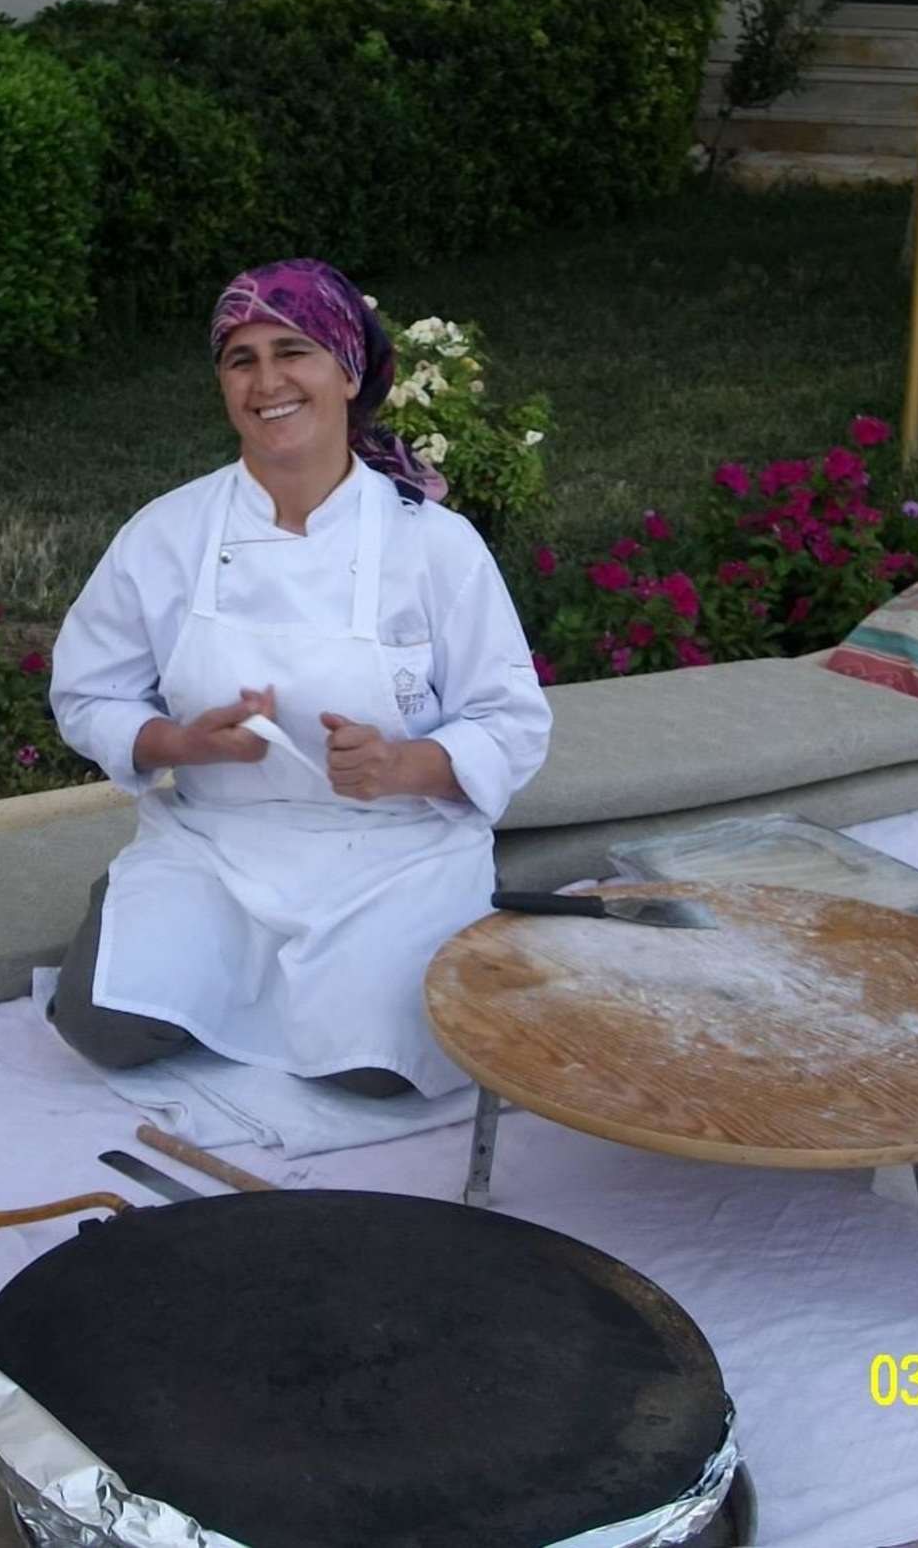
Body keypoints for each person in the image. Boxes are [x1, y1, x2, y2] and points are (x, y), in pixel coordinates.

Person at [46, 259, 551, 1098]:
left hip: (393, 854)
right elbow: (86, 693)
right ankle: (151, 923)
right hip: (216, 847)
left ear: (349, 372)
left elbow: (510, 720)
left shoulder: (433, 543)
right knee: (106, 1029)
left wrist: (402, 765)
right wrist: (181, 743)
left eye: (293, 352)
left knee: (379, 1071)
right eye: (240, 360)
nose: (267, 382)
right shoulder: (166, 534)